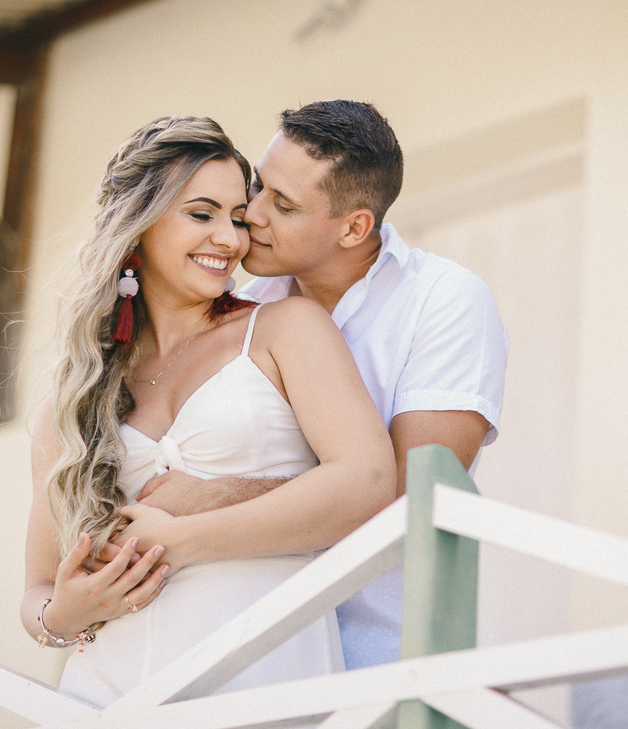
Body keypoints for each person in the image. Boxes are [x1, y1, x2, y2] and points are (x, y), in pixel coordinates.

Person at [21, 116, 395, 708]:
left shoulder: (284, 329)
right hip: (103, 696)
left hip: (259, 684)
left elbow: (368, 481)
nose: (230, 238)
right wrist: (64, 614)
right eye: (202, 214)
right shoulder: (75, 398)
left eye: (238, 218)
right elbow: (40, 588)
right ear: (137, 227)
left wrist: (183, 539)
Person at [138, 100, 509, 669]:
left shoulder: (444, 301)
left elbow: (401, 496)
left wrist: (209, 497)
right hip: (231, 647)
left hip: (374, 659)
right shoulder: (241, 303)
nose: (251, 214)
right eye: (258, 187)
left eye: (282, 205)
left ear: (355, 226)